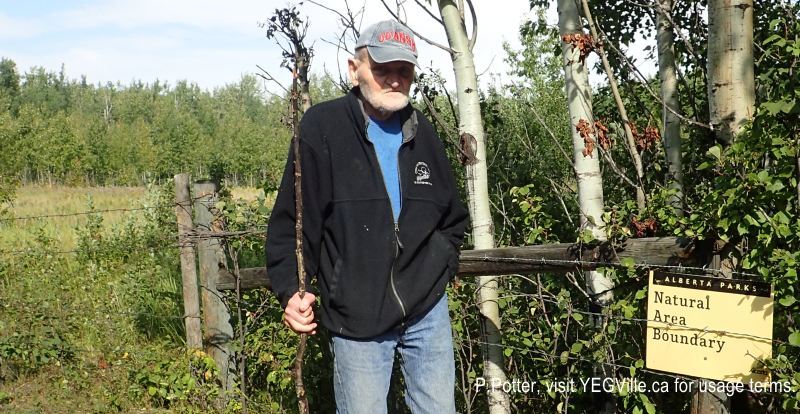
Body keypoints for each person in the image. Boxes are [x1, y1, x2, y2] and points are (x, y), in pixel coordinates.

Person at [266, 19, 468, 414]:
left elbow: (452, 215)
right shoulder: (321, 128)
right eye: (383, 69)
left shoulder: (420, 129)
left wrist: (438, 267)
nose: (394, 80)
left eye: (403, 71)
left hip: (427, 312)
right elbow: (293, 221)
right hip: (356, 318)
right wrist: (291, 290)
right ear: (354, 69)